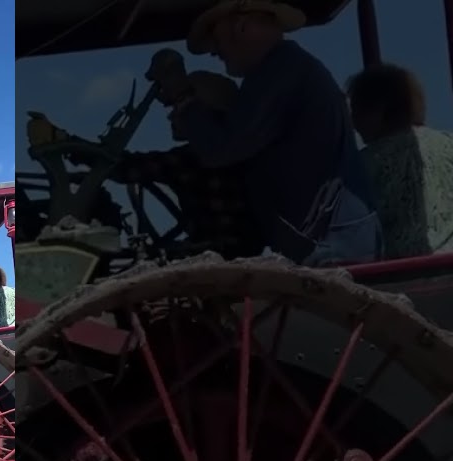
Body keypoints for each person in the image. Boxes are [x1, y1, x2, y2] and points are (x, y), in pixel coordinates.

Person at [149, 0, 383, 266]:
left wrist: (183, 96)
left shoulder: (280, 71)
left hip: (333, 251)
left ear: (242, 26)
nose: (214, 51)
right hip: (331, 243)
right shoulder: (284, 69)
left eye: (215, 37)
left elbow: (222, 148)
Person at [108, 71, 261, 258]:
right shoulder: (243, 152)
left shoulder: (194, 159)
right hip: (238, 255)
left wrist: (86, 154)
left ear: (204, 112)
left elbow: (128, 168)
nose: (171, 116)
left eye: (179, 107)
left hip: (216, 256)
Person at [347, 62, 453, 257]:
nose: (353, 123)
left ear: (377, 111)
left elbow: (354, 233)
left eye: (356, 111)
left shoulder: (363, 164)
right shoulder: (449, 143)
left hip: (402, 271)